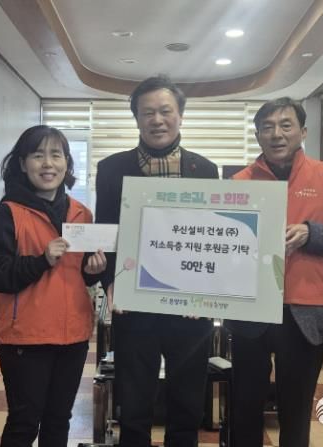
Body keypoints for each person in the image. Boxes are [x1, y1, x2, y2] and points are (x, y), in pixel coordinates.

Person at [226, 98, 323, 447]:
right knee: (244, 404)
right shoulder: (239, 181)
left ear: (303, 132)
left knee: (296, 408)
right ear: (257, 135)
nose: (277, 134)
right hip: (250, 307)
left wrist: (310, 233)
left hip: (307, 309)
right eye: (267, 127)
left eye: (286, 125)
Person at [95, 75, 219, 447]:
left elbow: (211, 236)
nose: (157, 120)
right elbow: (106, 231)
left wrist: (206, 292)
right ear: (136, 118)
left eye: (165, 111)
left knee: (187, 402)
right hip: (135, 303)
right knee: (133, 402)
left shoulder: (205, 169)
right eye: (147, 112)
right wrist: (111, 282)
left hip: (189, 306)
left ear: (180, 115)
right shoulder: (111, 168)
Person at [0, 125, 107, 447]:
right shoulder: (8, 213)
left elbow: (81, 274)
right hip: (26, 337)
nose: (48, 163)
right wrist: (41, 260)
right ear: (23, 164)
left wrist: (93, 271)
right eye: (38, 155)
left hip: (73, 335)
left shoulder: (82, 213)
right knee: (24, 423)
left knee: (58, 420)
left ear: (67, 163)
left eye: (56, 155)